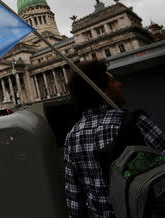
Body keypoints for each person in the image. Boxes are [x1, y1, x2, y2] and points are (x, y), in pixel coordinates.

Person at [64, 60, 165, 217]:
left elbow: (75, 199)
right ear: (102, 90)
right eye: (113, 81)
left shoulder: (72, 137)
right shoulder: (134, 121)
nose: (119, 84)